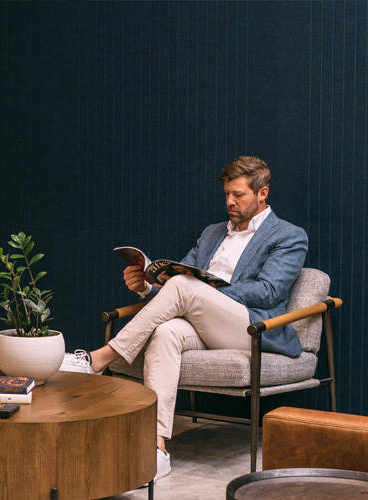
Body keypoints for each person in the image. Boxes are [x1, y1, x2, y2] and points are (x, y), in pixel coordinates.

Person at [60, 155, 308, 481]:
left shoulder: (288, 235)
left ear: (262, 193)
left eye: (238, 195)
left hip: (252, 327)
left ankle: (98, 359)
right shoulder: (212, 233)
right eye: (226, 194)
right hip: (203, 324)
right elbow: (176, 282)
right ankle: (156, 447)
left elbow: (268, 291)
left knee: (183, 286)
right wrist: (147, 286)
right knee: (166, 333)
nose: (229, 202)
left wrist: (206, 290)